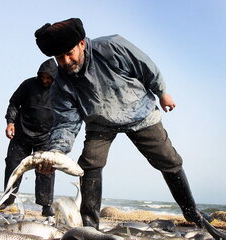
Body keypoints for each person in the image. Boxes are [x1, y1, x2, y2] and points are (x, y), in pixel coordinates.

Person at [34, 18, 212, 228]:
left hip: (139, 114)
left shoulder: (111, 47)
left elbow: (146, 67)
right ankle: (90, 226)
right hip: (100, 123)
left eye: (69, 53)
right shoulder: (61, 83)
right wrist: (56, 152)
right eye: (59, 57)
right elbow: (65, 122)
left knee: (169, 160)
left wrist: (162, 92)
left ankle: (192, 213)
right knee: (89, 165)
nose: (65, 61)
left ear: (82, 43)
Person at [0, 58, 58, 217]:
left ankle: (46, 205)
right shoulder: (28, 84)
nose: (45, 80)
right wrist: (10, 122)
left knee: (45, 169)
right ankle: (8, 199)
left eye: (49, 78)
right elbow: (14, 103)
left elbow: (66, 113)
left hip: (45, 137)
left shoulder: (60, 89)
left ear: (54, 77)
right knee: (12, 164)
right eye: (43, 77)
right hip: (22, 133)